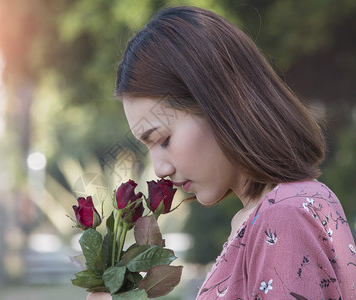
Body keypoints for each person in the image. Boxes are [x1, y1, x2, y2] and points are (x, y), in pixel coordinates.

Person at [89, 5, 356, 299]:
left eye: (163, 139)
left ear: (217, 103)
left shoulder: (283, 217)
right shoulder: (284, 208)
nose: (159, 169)